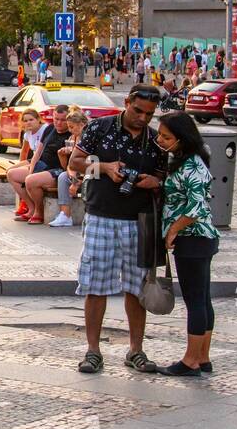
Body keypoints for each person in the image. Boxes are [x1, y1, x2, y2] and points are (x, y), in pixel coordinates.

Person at [68, 86, 167, 375]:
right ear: (126, 103)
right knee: (95, 285)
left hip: (140, 219)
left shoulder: (155, 139)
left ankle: (136, 350)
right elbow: (75, 162)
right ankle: (93, 350)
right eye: (138, 111)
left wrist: (154, 181)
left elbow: (164, 174)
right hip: (102, 216)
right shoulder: (100, 128)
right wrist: (106, 167)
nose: (143, 118)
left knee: (138, 289)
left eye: (149, 114)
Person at [154, 112, 221, 377]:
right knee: (203, 298)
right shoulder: (186, 161)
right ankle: (203, 357)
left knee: (195, 300)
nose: (160, 139)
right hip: (200, 238)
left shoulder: (193, 166)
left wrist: (172, 231)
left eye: (166, 136)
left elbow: (195, 207)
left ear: (182, 138)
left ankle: (191, 360)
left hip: (193, 238)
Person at [20, 105, 73, 224]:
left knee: (30, 180)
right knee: (12, 174)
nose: (58, 123)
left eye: (63, 120)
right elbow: (38, 152)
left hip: (57, 170)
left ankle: (39, 212)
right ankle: (31, 208)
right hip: (43, 165)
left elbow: (67, 166)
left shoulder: (71, 133)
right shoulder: (50, 128)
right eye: (56, 119)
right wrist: (32, 168)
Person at [49, 109, 89, 227]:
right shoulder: (72, 138)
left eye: (72, 127)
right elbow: (67, 166)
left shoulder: (88, 140)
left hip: (90, 172)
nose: (70, 130)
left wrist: (76, 182)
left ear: (81, 125)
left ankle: (89, 216)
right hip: (77, 173)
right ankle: (65, 215)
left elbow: (89, 164)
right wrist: (61, 155)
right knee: (63, 176)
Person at [7, 110, 45, 220]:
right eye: (25, 121)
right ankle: (27, 204)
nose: (28, 123)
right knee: (10, 170)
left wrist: (26, 167)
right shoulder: (27, 133)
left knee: (12, 174)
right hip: (32, 159)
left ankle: (30, 207)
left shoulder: (44, 130)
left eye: (31, 120)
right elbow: (24, 151)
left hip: (41, 161)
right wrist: (20, 164)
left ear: (38, 119)